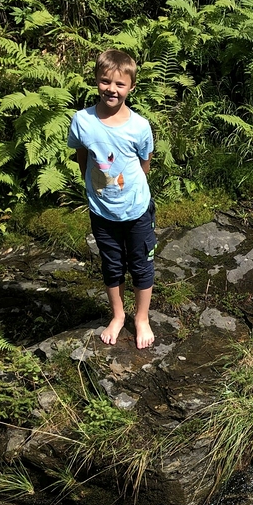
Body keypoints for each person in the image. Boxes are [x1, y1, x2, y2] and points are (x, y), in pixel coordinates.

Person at [67, 49, 157, 349]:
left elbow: (144, 164)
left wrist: (130, 189)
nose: (111, 89)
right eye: (105, 81)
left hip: (137, 209)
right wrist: (93, 188)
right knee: (112, 265)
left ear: (131, 87)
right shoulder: (82, 121)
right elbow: (82, 156)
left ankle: (141, 318)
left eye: (120, 84)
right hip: (102, 210)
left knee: (141, 264)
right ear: (96, 80)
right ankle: (118, 315)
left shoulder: (140, 126)